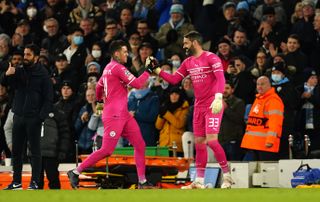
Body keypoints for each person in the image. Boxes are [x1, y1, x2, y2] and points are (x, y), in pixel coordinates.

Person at [67, 40, 155, 189]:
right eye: (125, 52)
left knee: (140, 144)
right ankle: (75, 172)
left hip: (122, 114)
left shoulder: (108, 67)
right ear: (116, 53)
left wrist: (102, 101)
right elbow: (138, 84)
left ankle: (142, 181)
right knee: (107, 150)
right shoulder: (118, 68)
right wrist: (148, 71)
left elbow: (99, 86)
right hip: (115, 115)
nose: (127, 54)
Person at [151, 31, 233, 189]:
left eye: (186, 43)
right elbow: (175, 79)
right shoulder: (188, 62)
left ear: (195, 42)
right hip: (199, 105)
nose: (184, 46)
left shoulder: (211, 58)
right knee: (199, 143)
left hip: (213, 104)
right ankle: (199, 181)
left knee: (212, 140)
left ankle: (227, 176)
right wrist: (158, 71)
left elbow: (221, 77)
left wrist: (218, 97)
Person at [1, 44, 53, 190]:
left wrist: (40, 117)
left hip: (33, 118)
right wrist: (7, 74)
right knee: (16, 152)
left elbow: (49, 98)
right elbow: (4, 82)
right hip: (18, 116)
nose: (25, 57)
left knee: (35, 152)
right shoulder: (18, 70)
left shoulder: (43, 74)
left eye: (28, 55)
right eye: (25, 54)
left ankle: (35, 182)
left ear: (36, 57)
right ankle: (16, 182)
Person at [241, 76, 284, 161]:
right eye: (258, 84)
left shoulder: (273, 100)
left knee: (266, 172)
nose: (259, 86)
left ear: (269, 85)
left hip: (266, 145)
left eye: (262, 84)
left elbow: (275, 123)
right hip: (254, 144)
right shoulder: (259, 99)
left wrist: (270, 140)